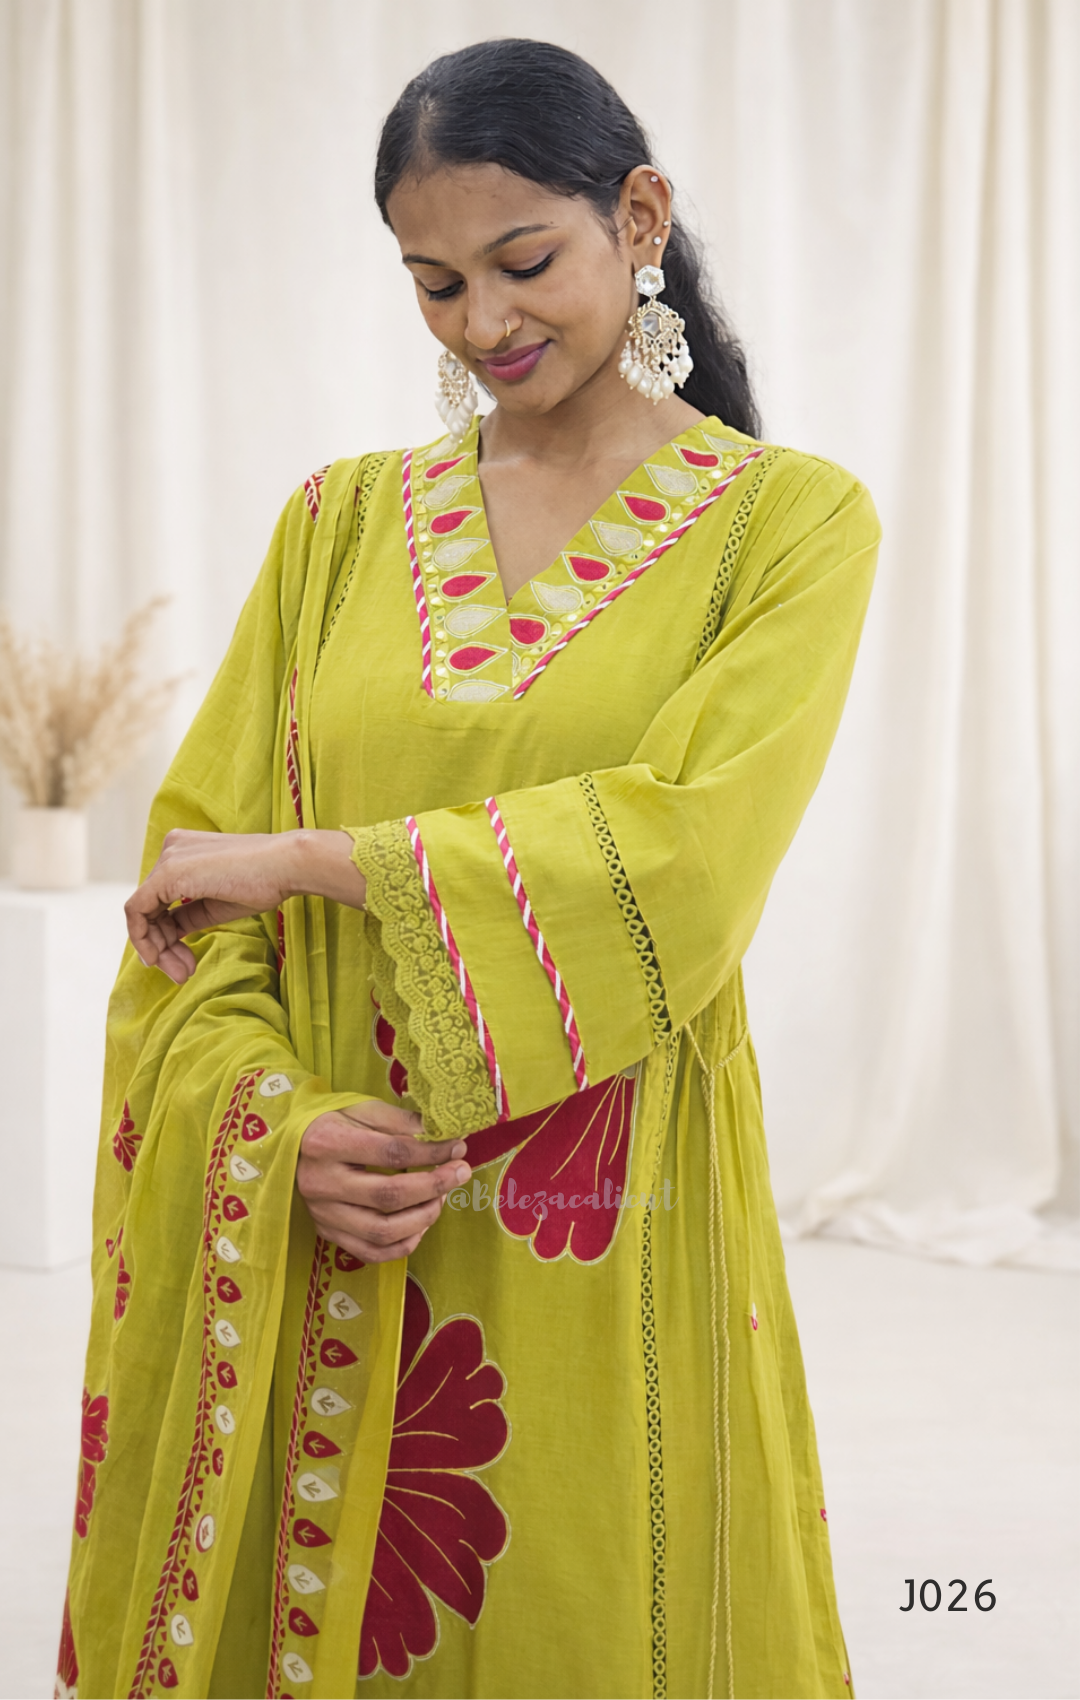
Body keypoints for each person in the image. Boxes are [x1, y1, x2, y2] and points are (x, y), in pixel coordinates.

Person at [58, 38, 879, 1700]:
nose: (482, 325)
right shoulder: (337, 531)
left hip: (599, 1214)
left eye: (524, 264)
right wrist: (281, 1131)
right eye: (432, 284)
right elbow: (186, 905)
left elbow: (685, 858)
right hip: (339, 1210)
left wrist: (311, 856)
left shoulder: (788, 530)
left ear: (638, 218)